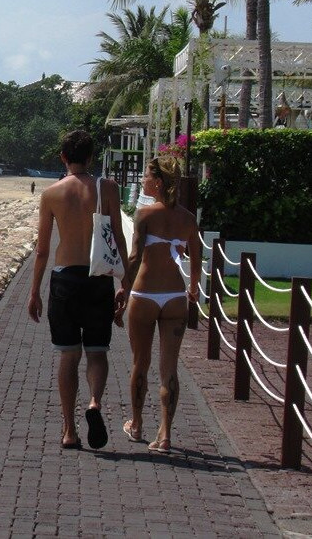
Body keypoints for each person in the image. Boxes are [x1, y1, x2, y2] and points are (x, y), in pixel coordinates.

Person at [27, 130, 128, 450]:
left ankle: (69, 430)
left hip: (64, 279)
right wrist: (125, 279)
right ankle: (95, 402)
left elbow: (42, 250)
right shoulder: (107, 188)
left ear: (63, 158)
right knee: (97, 351)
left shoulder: (51, 194)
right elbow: (119, 239)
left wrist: (34, 291)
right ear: (91, 157)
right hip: (98, 278)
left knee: (68, 355)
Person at [120, 156, 201, 454]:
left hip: (145, 295)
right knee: (170, 368)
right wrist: (193, 288)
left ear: (157, 181)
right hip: (175, 298)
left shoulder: (145, 215)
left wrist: (122, 290)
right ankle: (165, 434)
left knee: (140, 362)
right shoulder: (188, 218)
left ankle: (138, 424)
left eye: (145, 175)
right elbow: (196, 256)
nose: (142, 180)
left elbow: (134, 258)